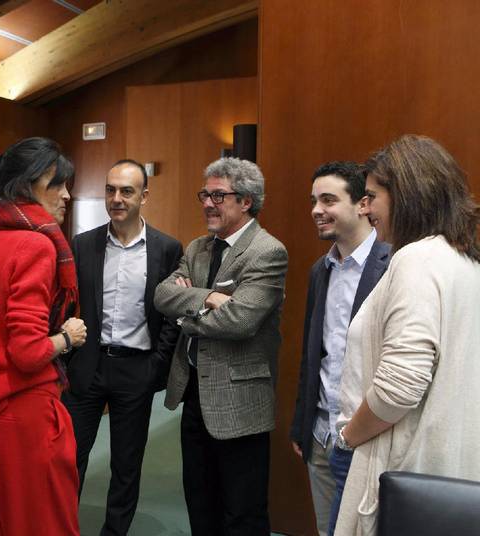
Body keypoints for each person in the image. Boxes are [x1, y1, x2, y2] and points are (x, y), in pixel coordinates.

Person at [334, 135, 480, 535]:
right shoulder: (463, 260)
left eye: (371, 197)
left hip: (402, 467)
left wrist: (348, 436)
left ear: (407, 196)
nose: (364, 209)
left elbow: (400, 386)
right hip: (447, 468)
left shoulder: (416, 260)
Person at [0, 137, 87, 536]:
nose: (66, 195)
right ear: (26, 187)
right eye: (56, 185)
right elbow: (28, 352)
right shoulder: (35, 245)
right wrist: (67, 336)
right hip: (21, 415)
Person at [154, 157, 288, 535]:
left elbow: (240, 321)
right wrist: (211, 297)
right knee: (200, 503)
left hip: (240, 402)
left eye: (217, 195)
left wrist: (186, 313)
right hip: (195, 394)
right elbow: (163, 295)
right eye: (205, 195)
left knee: (242, 513)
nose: (207, 204)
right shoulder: (198, 247)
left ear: (245, 200)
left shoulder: (267, 251)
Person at [64, 159, 183, 535]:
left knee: (126, 465)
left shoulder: (166, 248)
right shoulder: (83, 244)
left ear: (144, 196)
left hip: (137, 370)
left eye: (126, 191)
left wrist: (156, 367)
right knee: (69, 460)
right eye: (110, 190)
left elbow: (170, 316)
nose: (116, 199)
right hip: (88, 366)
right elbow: (68, 305)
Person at [290, 162, 390, 536]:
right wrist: (303, 425)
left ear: (363, 204)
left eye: (328, 200)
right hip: (321, 436)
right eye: (314, 201)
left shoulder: (394, 263)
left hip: (368, 437)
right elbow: (312, 354)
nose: (317, 210)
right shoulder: (321, 269)